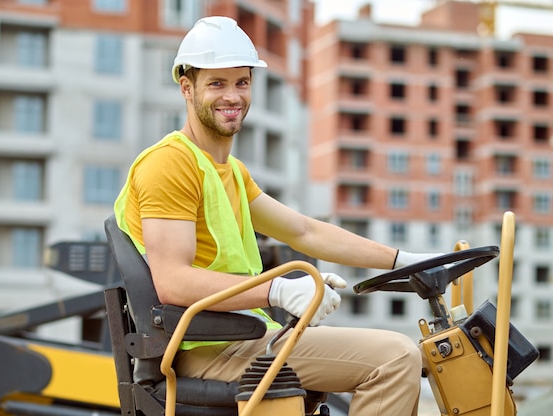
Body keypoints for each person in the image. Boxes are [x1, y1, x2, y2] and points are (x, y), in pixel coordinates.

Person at [114, 16, 441, 416]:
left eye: (242, 82)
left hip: (242, 336)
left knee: (410, 355)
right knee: (394, 359)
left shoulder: (230, 172)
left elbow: (303, 230)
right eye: (216, 83)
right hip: (208, 350)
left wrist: (404, 261)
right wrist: (278, 291)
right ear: (187, 87)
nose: (232, 96)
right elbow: (172, 281)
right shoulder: (169, 164)